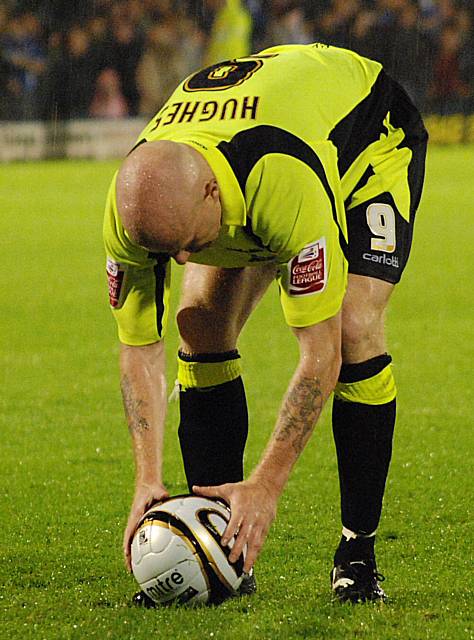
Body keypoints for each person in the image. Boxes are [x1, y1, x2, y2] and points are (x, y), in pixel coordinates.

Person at [103, 42, 427, 604]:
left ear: (209, 192)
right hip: (257, 142)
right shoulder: (131, 208)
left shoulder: (282, 182)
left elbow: (318, 354)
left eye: (185, 245)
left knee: (353, 330)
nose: (182, 261)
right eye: (167, 251)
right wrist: (146, 481)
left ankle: (357, 554)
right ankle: (225, 546)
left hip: (367, 141)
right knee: (199, 322)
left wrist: (267, 484)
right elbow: (139, 349)